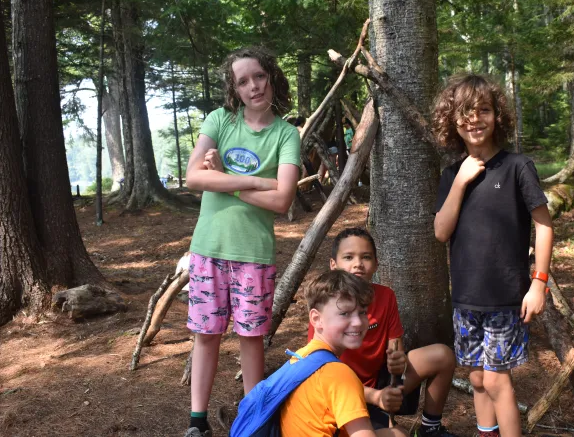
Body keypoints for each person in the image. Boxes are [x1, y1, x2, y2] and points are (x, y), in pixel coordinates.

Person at [183, 47, 301, 437]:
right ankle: (197, 423)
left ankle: (253, 420)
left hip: (253, 253)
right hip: (208, 249)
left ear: (271, 77)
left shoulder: (285, 134)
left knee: (251, 340)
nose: (253, 86)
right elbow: (194, 179)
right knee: (206, 336)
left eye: (259, 77)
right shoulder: (219, 120)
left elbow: (283, 200)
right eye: (243, 81)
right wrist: (255, 181)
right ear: (234, 89)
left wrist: (227, 180)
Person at [432, 74, 554, 437]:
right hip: (466, 298)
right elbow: (441, 231)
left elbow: (544, 226)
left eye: (483, 110)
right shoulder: (453, 173)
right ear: (452, 120)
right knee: (475, 377)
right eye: (465, 112)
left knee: (497, 381)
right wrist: (460, 181)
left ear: (497, 115)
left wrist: (539, 283)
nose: (474, 119)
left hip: (506, 298)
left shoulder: (518, 167)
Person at [308, 228, 459, 437]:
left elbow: (395, 346)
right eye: (348, 257)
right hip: (342, 393)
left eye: (366, 257)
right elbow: (324, 376)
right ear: (333, 265)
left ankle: (430, 428)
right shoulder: (327, 307)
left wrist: (397, 359)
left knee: (441, 355)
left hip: (379, 382)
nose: (358, 263)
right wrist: (375, 397)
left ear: (376, 264)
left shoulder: (385, 296)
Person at [280, 270, 378, 437]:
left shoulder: (300, 357)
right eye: (344, 313)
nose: (357, 322)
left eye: (362, 312)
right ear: (316, 319)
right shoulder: (340, 376)